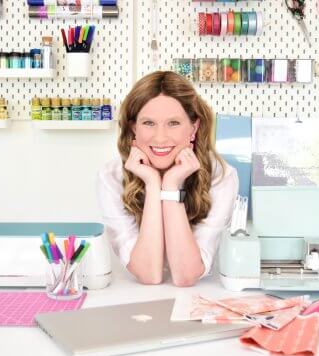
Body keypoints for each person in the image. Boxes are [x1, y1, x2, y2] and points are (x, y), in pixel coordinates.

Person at [97, 71, 238, 287]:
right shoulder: (111, 177)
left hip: (199, 299)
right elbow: (149, 275)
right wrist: (153, 184)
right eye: (148, 123)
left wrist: (171, 185)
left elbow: (186, 275)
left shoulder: (221, 176)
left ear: (194, 128)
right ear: (134, 128)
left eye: (173, 123)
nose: (160, 137)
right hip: (135, 301)